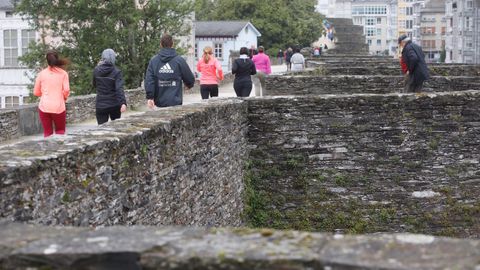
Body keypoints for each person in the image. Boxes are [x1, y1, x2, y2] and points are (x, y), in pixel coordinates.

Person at [145, 34, 195, 108]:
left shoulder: (154, 61)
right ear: (173, 44)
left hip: (159, 103)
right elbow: (189, 78)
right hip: (175, 102)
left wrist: (150, 97)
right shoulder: (179, 60)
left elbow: (149, 80)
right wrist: (189, 84)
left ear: (160, 44)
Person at [33, 50, 70, 137]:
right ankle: (61, 150)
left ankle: (48, 150)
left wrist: (45, 94)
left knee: (47, 133)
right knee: (60, 131)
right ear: (57, 59)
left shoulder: (41, 74)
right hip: (59, 106)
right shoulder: (63, 74)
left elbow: (36, 92)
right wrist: (64, 97)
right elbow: (67, 90)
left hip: (44, 107)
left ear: (47, 60)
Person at [93, 48, 127, 125]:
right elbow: (119, 89)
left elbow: (95, 84)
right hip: (114, 105)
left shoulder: (96, 70)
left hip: (101, 104)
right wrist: (123, 103)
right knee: (116, 129)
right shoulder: (116, 72)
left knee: (101, 130)